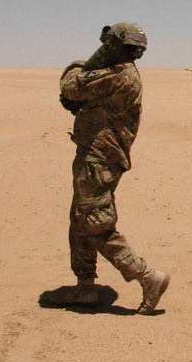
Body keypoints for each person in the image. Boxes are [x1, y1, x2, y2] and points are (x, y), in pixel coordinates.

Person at [47, 22, 170, 314]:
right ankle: (85, 288)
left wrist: (79, 64)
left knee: (95, 223)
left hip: (99, 161)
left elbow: (71, 87)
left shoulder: (119, 77)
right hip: (95, 157)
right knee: (80, 220)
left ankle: (147, 277)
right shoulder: (118, 75)